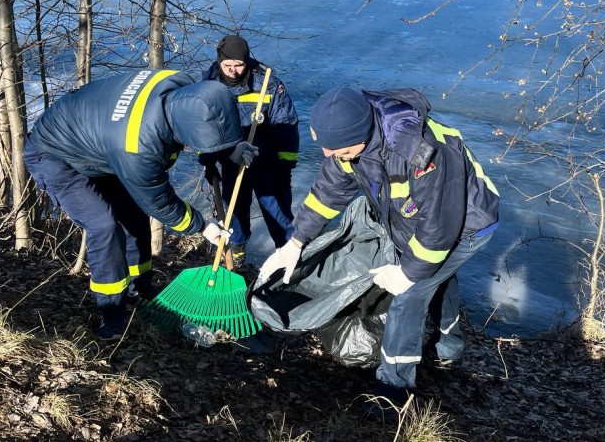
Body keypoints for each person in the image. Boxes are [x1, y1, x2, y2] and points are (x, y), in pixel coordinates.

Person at [257, 86, 499, 407]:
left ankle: (394, 390)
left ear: (360, 135)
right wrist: (296, 242)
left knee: (410, 293)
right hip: (419, 222)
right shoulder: (347, 141)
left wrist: (408, 272)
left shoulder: (422, 152)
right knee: (438, 281)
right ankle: (448, 350)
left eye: (338, 150)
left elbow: (440, 225)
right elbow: (327, 192)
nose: (330, 156)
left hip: (467, 224)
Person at [24, 69, 258, 341]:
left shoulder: (182, 86)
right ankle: (111, 309)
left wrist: (231, 147)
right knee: (105, 225)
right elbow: (159, 203)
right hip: (55, 155)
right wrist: (202, 225)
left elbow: (201, 121)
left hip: (99, 144)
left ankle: (139, 288)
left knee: (134, 216)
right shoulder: (138, 147)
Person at [199, 35, 299, 268]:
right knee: (235, 220)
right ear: (219, 62)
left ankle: (288, 266)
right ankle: (236, 264)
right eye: (227, 66)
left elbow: (287, 127)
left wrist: (286, 166)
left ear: (247, 61)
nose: (233, 71)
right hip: (231, 163)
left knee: (279, 218)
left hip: (269, 166)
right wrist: (208, 162)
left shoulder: (269, 84)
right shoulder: (208, 86)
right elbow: (202, 129)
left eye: (239, 65)